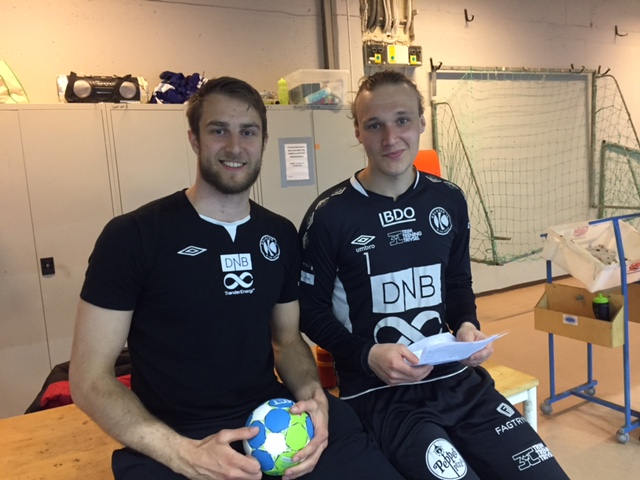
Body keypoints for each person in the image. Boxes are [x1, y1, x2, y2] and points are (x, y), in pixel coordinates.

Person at [69, 76, 404, 480]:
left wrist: (312, 396)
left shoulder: (279, 234)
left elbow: (286, 341)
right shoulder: (133, 236)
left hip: (268, 418)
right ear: (194, 139)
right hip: (173, 435)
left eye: (248, 132)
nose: (234, 147)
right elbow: (88, 379)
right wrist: (182, 454)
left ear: (263, 142)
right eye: (218, 131)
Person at [297, 70, 570, 480]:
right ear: (357, 131)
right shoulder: (330, 215)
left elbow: (457, 282)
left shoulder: (448, 198)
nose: (391, 138)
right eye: (375, 125)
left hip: (458, 382)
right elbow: (310, 311)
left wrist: (467, 326)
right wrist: (366, 354)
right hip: (380, 393)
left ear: (422, 122)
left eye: (402, 120)